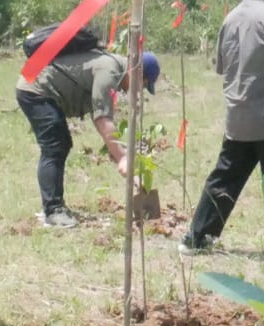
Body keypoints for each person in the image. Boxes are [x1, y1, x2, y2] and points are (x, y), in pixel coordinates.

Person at [178, 0, 264, 264]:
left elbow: (221, 67)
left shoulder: (231, 18)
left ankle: (196, 237)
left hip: (237, 117)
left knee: (225, 176)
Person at [15, 49, 161, 229]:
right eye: (143, 85)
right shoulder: (110, 71)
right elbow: (102, 119)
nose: (138, 91)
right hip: (36, 89)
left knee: (61, 144)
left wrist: (119, 155)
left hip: (40, 88)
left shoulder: (113, 68)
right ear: (138, 73)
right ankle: (52, 212)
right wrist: (123, 157)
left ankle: (54, 206)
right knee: (54, 146)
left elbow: (98, 113)